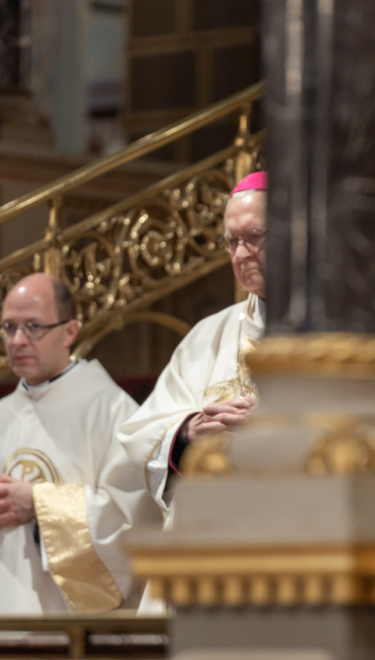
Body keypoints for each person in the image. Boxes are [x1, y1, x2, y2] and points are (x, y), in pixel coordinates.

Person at [0, 273, 157, 613]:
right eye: (9, 328)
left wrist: (40, 504)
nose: (17, 341)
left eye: (33, 327)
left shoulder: (114, 413)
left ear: (70, 331)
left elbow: (132, 517)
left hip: (71, 620)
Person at [117, 171, 268, 525]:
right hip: (208, 536)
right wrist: (187, 431)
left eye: (254, 237)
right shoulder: (207, 336)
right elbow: (140, 434)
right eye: (231, 241)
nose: (241, 253)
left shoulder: (337, 335)